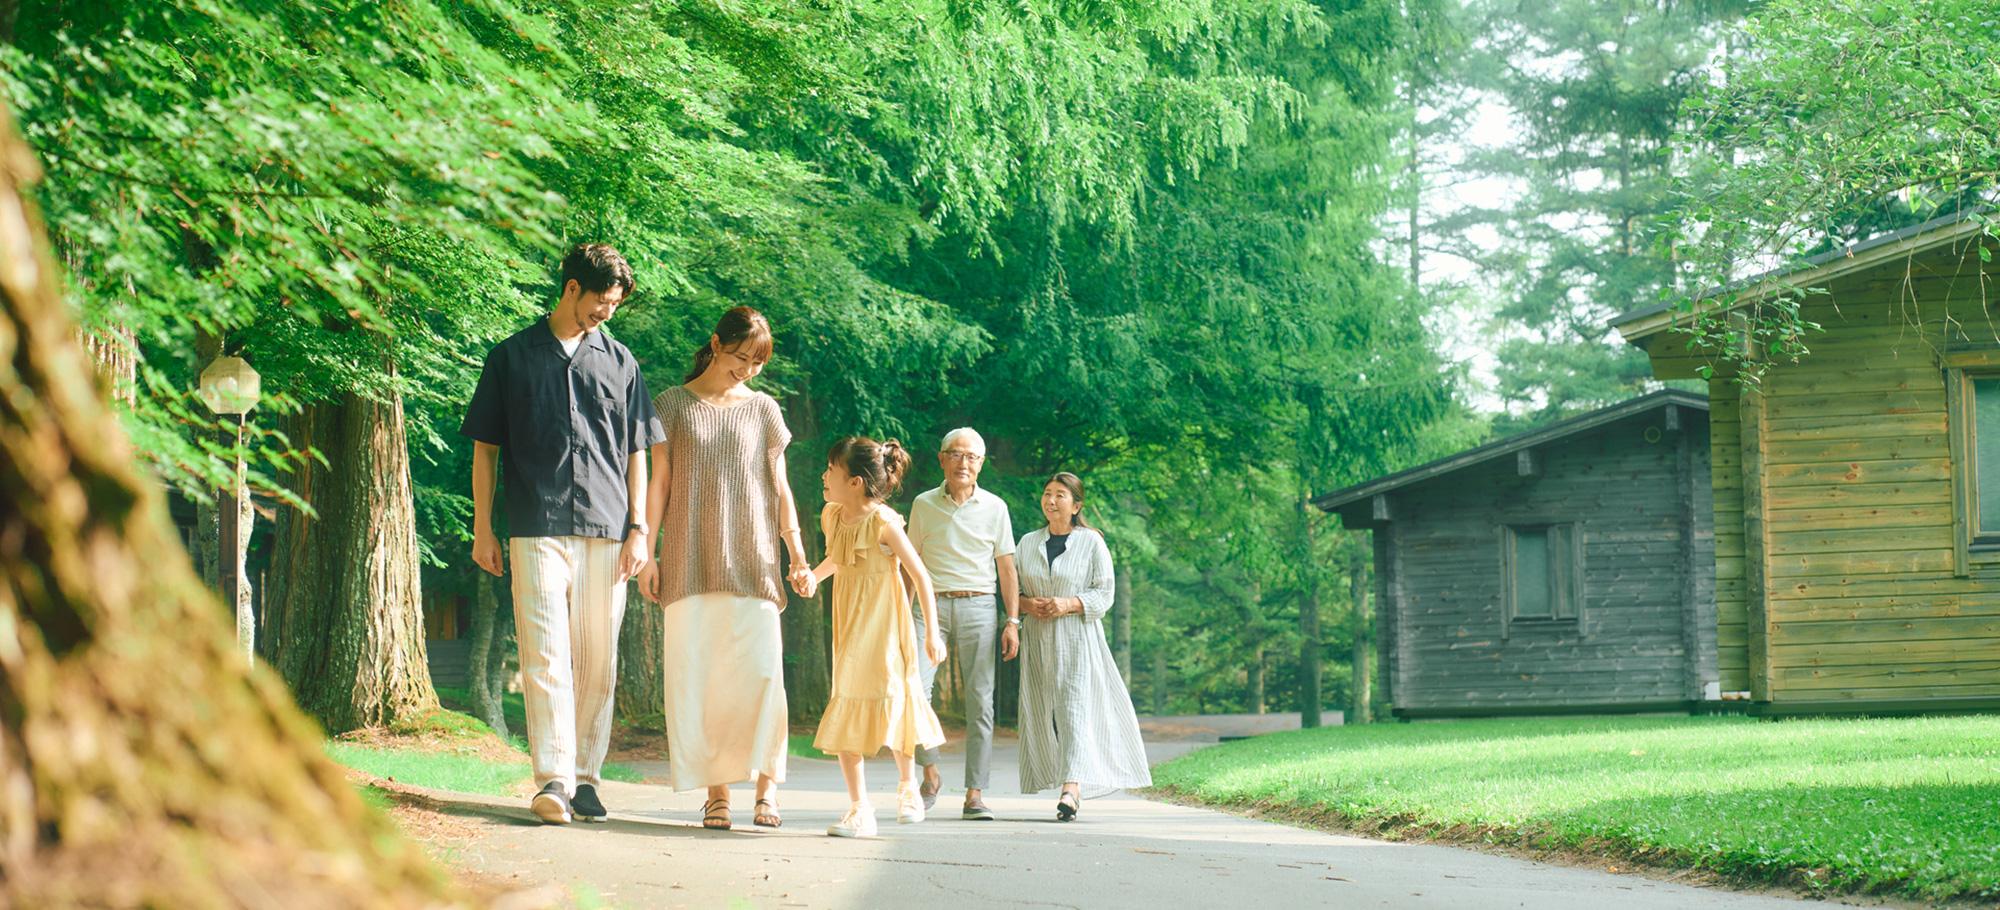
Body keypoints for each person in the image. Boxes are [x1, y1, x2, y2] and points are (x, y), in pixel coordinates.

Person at [462, 243, 662, 825]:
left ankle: (586, 777)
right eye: (601, 302)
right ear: (571, 288)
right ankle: (552, 777)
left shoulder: (622, 363)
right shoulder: (511, 357)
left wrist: (640, 529)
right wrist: (483, 527)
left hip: (608, 527)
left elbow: (637, 452)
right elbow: (485, 450)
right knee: (545, 652)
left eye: (616, 306)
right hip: (534, 523)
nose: (608, 313)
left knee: (598, 661)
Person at [636, 306, 811, 831]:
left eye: (757, 362)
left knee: (763, 679)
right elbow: (660, 484)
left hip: (755, 562)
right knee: (702, 681)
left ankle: (767, 790)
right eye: (740, 357)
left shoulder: (764, 411)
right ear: (715, 344)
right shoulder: (672, 405)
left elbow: (780, 488)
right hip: (689, 561)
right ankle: (717, 795)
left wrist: (797, 554)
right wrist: (646, 552)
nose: (748, 369)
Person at [802, 437, 948, 838]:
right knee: (846, 700)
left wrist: (933, 634)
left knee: (894, 699)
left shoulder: (884, 523)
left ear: (855, 483)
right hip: (849, 624)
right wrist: (813, 577)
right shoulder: (832, 517)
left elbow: (920, 575)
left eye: (831, 470)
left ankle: (907, 790)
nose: (824, 476)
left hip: (885, 625)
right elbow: (841, 556)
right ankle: (859, 808)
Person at [1016, 472, 1150, 821]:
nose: (1051, 500)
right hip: (1036, 637)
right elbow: (1011, 592)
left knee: (1074, 706)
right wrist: (1028, 606)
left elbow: (1104, 594)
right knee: (1041, 708)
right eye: (1047, 493)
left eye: (1060, 495)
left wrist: (1068, 603)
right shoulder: (1027, 542)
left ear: (1076, 505)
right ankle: (1051, 776)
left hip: (1077, 636)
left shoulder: (1091, 542)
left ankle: (1071, 787)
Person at [906, 428, 1019, 819]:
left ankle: (975, 793)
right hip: (929, 606)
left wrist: (1013, 620)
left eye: (971, 457)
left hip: (980, 606)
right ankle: (931, 771)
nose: (963, 463)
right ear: (942, 459)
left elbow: (1006, 568)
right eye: (955, 454)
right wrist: (903, 612)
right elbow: (911, 560)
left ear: (981, 464)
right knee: (915, 691)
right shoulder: (922, 505)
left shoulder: (996, 507)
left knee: (980, 701)